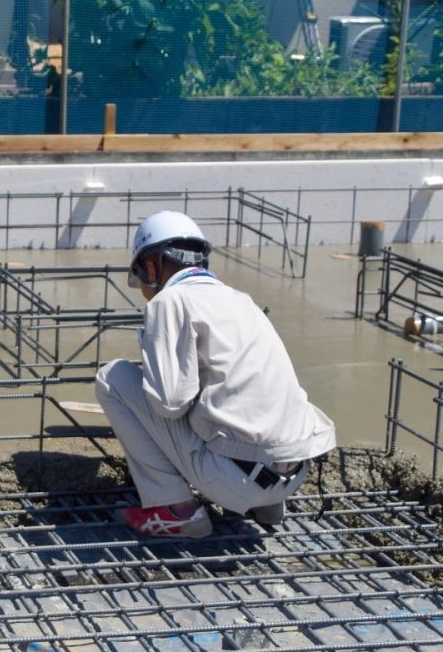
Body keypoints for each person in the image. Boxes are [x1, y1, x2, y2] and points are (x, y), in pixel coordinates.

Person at [95, 210, 336, 538]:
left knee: (114, 378)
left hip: (237, 480)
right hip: (292, 475)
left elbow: (169, 404)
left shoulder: (170, 301)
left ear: (151, 268)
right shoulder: (240, 299)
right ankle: (265, 508)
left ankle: (175, 510)